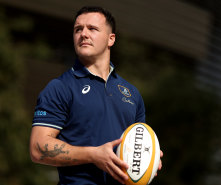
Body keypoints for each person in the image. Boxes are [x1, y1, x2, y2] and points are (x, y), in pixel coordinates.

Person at [30, 6, 162, 185]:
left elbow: (137, 143)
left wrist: (151, 158)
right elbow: (38, 149)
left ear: (111, 39)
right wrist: (93, 155)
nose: (83, 34)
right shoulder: (60, 87)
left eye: (92, 29)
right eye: (78, 29)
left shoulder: (132, 93)